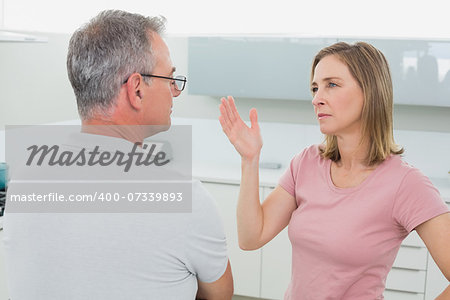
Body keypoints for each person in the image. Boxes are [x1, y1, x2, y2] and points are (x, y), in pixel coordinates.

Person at [3, 10, 233, 300]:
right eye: (169, 79)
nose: (175, 91)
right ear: (136, 90)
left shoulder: (23, 185)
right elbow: (219, 295)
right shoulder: (185, 199)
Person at [219, 42, 449, 299]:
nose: (317, 99)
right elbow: (251, 238)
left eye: (332, 84)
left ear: (370, 92)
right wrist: (250, 160)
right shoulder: (305, 163)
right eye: (315, 88)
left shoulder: (405, 183)